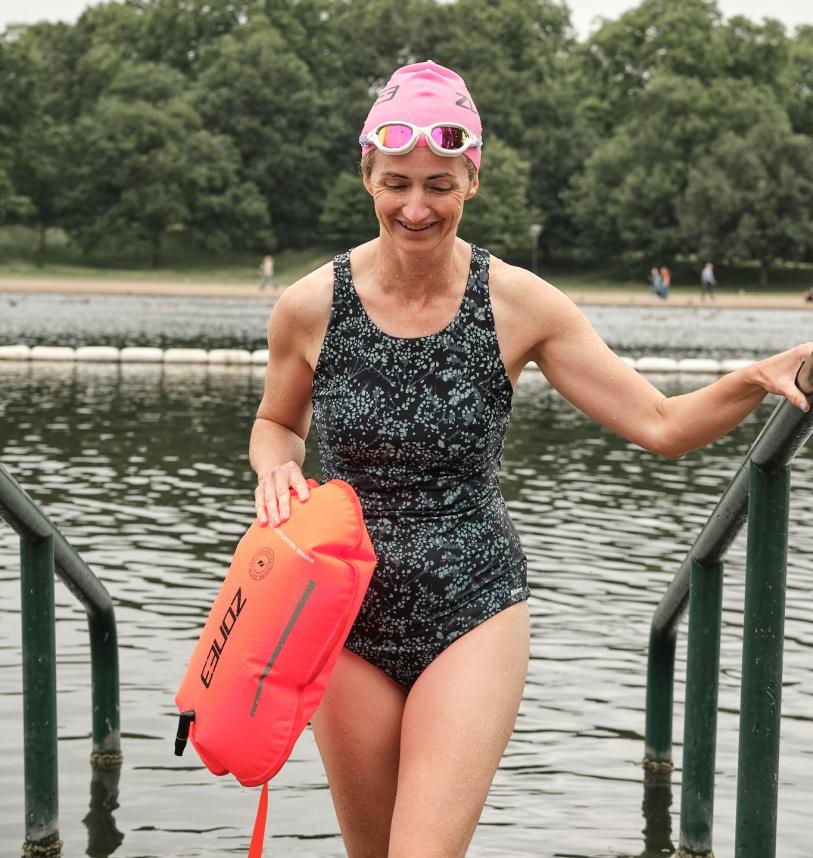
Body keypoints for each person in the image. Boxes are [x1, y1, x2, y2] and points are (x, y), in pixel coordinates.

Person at [248, 60, 812, 858]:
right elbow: (275, 421)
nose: (416, 206)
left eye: (439, 184)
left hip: (473, 605)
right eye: (397, 182)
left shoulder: (517, 304)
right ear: (367, 175)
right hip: (343, 609)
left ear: (470, 180)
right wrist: (276, 465)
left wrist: (756, 376)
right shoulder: (310, 304)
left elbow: (657, 423)